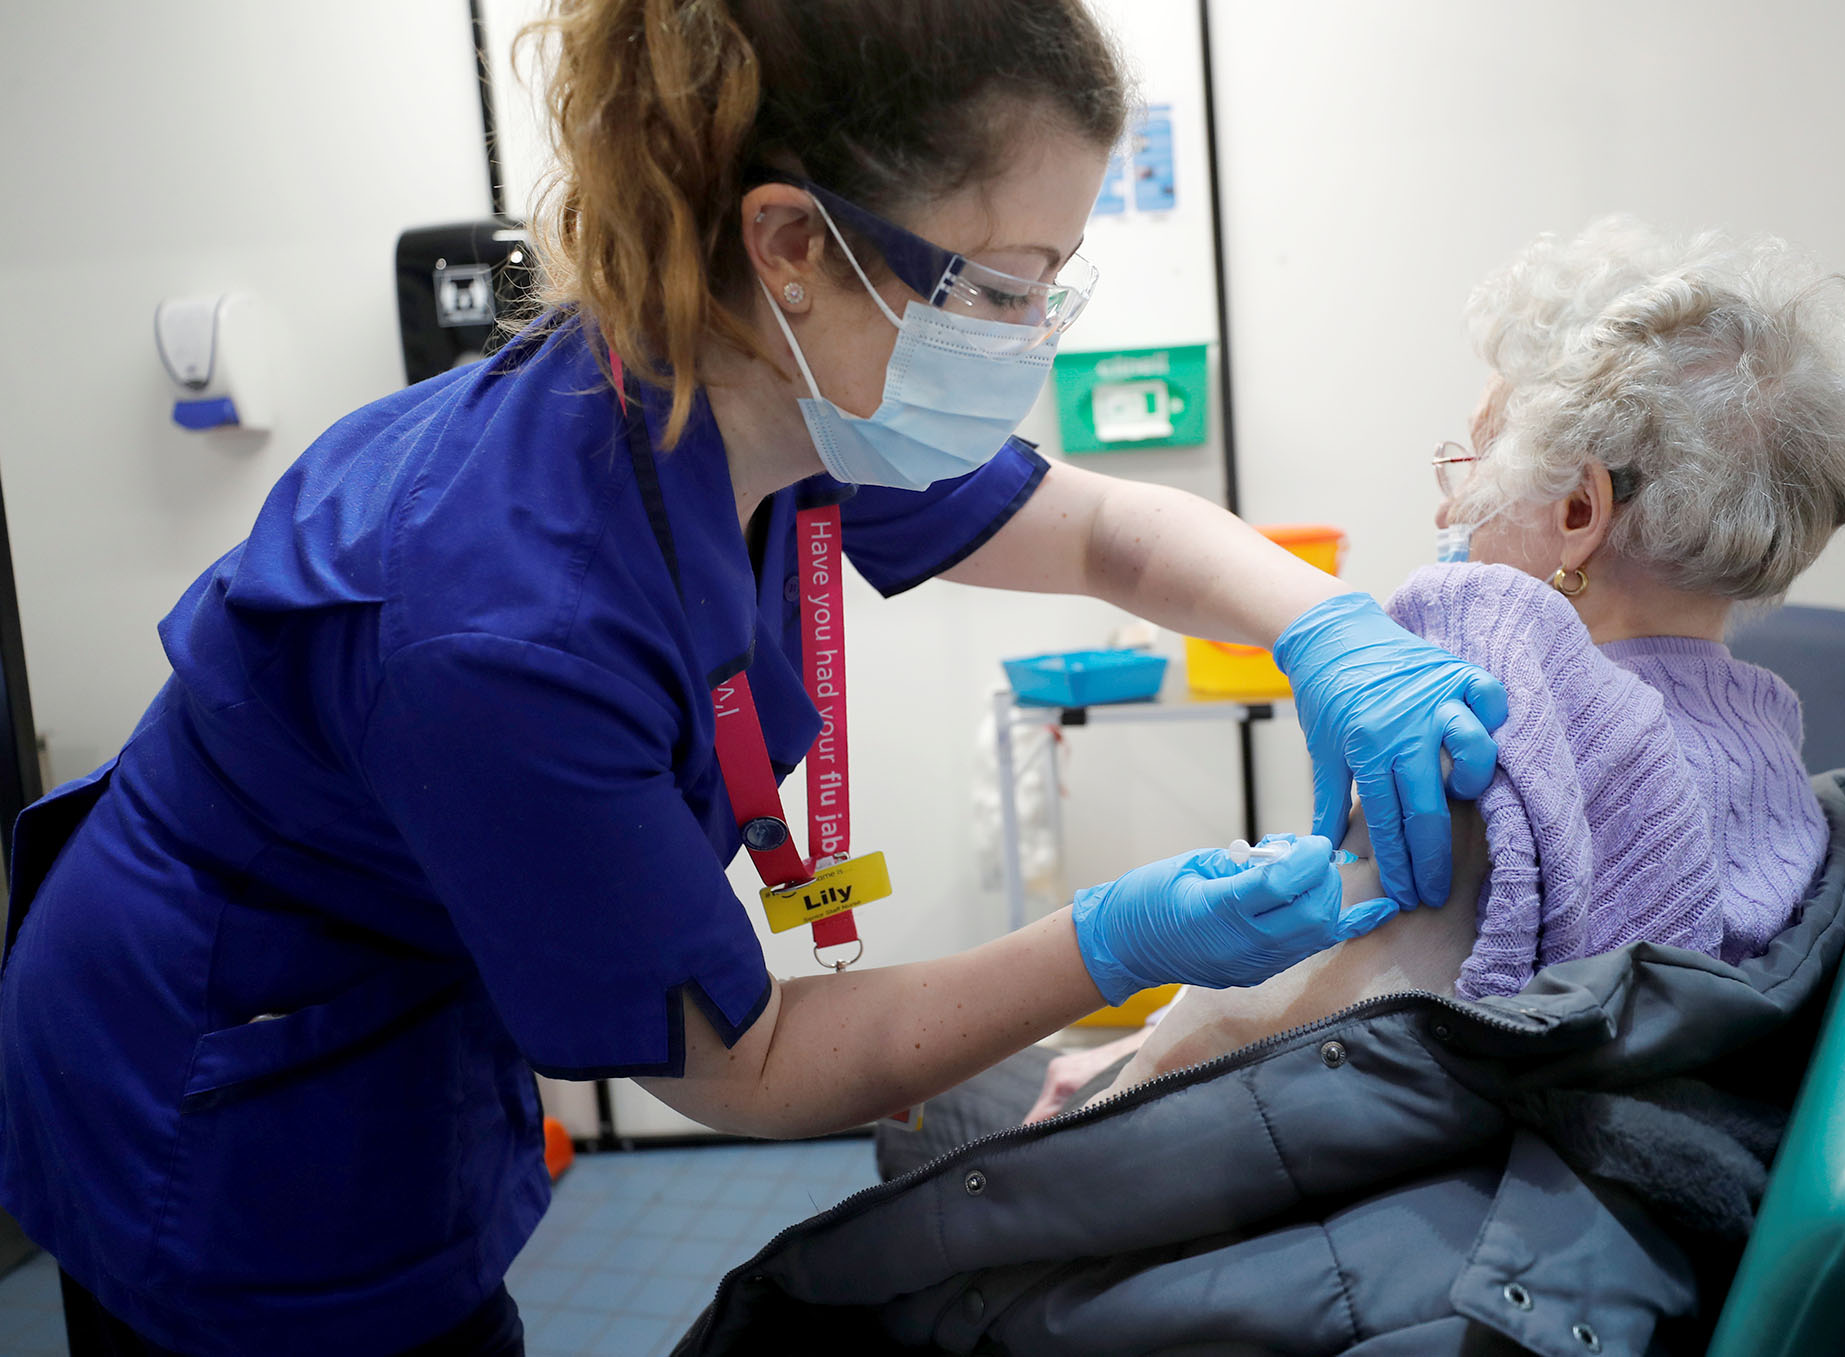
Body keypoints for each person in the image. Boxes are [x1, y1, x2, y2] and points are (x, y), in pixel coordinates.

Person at [0, 3, 1505, 1353]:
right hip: (225, 1071)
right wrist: (1122, 937)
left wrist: (1334, 634)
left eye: (1055, 282)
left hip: (395, 982)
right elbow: (753, 1068)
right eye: (1003, 283)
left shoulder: (780, 395)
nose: (1029, 335)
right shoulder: (506, 621)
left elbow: (1108, 530)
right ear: (793, 242)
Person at [1031, 215, 1845, 1111]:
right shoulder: (1767, 758)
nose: (1449, 509)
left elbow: (1239, 1071)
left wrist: (1111, 1076)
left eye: (1474, 460)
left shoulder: (1503, 754)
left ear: (1581, 508)